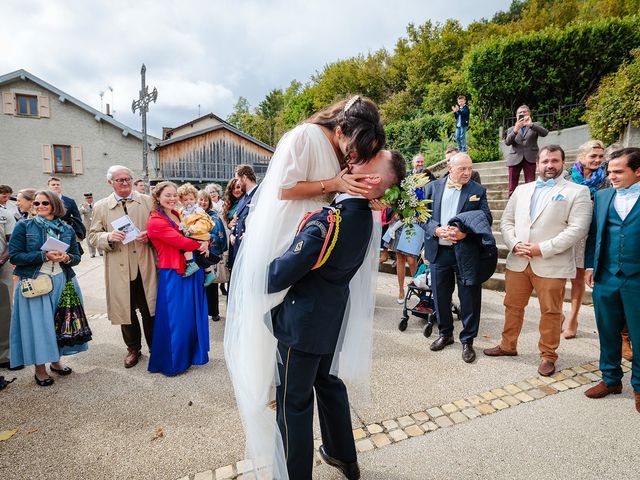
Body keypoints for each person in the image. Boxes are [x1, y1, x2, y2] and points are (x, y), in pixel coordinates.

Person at [224, 95, 386, 478]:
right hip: (297, 241)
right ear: (342, 129)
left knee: (294, 392)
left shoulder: (339, 211)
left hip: (309, 262)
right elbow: (281, 188)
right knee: (323, 377)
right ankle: (343, 454)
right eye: (353, 148)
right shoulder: (305, 136)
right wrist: (335, 184)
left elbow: (336, 191)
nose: (353, 158)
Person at [269, 149, 404, 479]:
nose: (355, 155)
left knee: (294, 403)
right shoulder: (363, 218)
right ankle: (343, 455)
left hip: (303, 324)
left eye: (368, 157)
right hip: (330, 319)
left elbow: (276, 276)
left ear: (370, 179)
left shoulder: (330, 221)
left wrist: (248, 258)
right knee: (328, 383)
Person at [484, 145, 592, 376]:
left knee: (551, 312)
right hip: (519, 261)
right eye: (545, 161)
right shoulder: (522, 190)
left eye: (554, 161)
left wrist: (541, 249)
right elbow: (506, 221)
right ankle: (507, 345)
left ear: (563, 163)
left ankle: (548, 355)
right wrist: (514, 244)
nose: (549, 165)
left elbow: (578, 229)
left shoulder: (577, 191)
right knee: (512, 306)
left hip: (551, 263)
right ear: (538, 163)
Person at [8, 190, 88, 386]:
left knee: (59, 323)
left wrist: (67, 257)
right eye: (36, 203)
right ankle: (40, 369)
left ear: (54, 205)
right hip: (36, 282)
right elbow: (15, 256)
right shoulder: (24, 226)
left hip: (62, 280)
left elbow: (76, 258)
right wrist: (44, 256)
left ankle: (56, 362)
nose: (40, 206)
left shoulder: (67, 229)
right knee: (38, 327)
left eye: (44, 203)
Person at [421, 153, 493, 363]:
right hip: (439, 251)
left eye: (470, 168)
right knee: (440, 296)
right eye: (462, 169)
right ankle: (445, 334)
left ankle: (468, 340)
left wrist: (465, 232)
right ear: (450, 168)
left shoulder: (477, 190)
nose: (467, 173)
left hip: (466, 252)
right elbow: (421, 216)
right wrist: (436, 230)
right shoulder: (431, 188)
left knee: (469, 297)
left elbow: (486, 217)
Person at [584, 147, 640, 413]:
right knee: (607, 332)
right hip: (606, 276)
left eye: (619, 171)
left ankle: (639, 387)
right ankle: (610, 380)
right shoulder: (603, 196)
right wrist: (588, 266)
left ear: (638, 171)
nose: (611, 176)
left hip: (637, 278)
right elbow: (594, 234)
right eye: (610, 171)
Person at [88, 165, 158, 368]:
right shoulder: (101, 206)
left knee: (150, 310)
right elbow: (92, 236)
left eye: (128, 179)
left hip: (145, 265)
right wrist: (108, 236)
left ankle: (156, 347)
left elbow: (161, 227)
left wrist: (151, 236)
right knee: (125, 312)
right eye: (120, 180)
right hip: (119, 268)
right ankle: (133, 348)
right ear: (110, 182)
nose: (125, 183)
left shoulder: (147, 201)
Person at [146, 181, 210, 376]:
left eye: (174, 195)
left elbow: (196, 232)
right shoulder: (155, 220)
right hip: (174, 271)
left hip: (190, 269)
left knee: (190, 316)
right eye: (167, 195)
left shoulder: (175, 214)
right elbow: (179, 240)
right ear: (157, 197)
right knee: (176, 319)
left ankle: (191, 355)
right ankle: (173, 362)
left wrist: (206, 240)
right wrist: (201, 245)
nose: (172, 198)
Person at [562, 140, 608, 339]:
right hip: (566, 229)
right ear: (582, 157)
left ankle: (572, 318)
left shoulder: (605, 179)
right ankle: (558, 315)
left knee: (578, 278)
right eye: (593, 156)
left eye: (600, 156)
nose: (597, 160)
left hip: (589, 233)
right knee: (559, 276)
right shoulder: (567, 177)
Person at [504, 105, 549, 196]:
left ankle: (529, 201)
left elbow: (545, 133)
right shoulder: (511, 129)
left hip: (530, 157)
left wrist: (531, 125)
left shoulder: (535, 125)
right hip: (514, 158)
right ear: (516, 116)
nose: (522, 114)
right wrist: (515, 130)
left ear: (529, 114)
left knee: (530, 183)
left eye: (525, 112)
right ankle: (512, 202)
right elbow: (507, 142)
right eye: (520, 113)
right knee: (512, 185)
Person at [176, 183, 215, 284]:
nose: (189, 202)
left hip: (198, 235)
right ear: (180, 201)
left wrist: (195, 228)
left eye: (191, 199)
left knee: (185, 246)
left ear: (195, 199)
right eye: (185, 200)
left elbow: (205, 222)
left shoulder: (198, 210)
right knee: (201, 256)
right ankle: (209, 273)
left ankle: (191, 263)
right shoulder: (181, 211)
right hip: (191, 234)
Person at [198, 190, 227, 322]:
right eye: (201, 199)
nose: (203, 202)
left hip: (210, 254)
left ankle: (214, 312)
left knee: (211, 284)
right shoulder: (191, 214)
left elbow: (219, 235)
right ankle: (200, 312)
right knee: (198, 284)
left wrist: (204, 236)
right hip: (195, 254)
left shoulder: (213, 216)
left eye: (206, 200)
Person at [229, 164, 258, 274]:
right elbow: (237, 218)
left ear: (244, 178)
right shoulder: (244, 198)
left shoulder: (261, 194)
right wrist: (232, 232)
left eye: (238, 179)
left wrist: (251, 233)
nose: (237, 183)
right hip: (239, 245)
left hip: (252, 247)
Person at [0, 202, 16, 370]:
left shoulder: (5, 214)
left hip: (2, 268)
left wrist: (1, 260)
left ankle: (5, 355)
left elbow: (11, 241)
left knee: (5, 311)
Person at [79, 193, 103, 258]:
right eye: (88, 198)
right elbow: (79, 213)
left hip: (96, 224)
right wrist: (83, 208)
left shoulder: (96, 204)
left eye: (90, 198)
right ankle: (92, 253)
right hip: (88, 225)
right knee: (89, 239)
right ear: (85, 199)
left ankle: (100, 251)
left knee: (98, 237)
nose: (89, 199)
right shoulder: (83, 206)